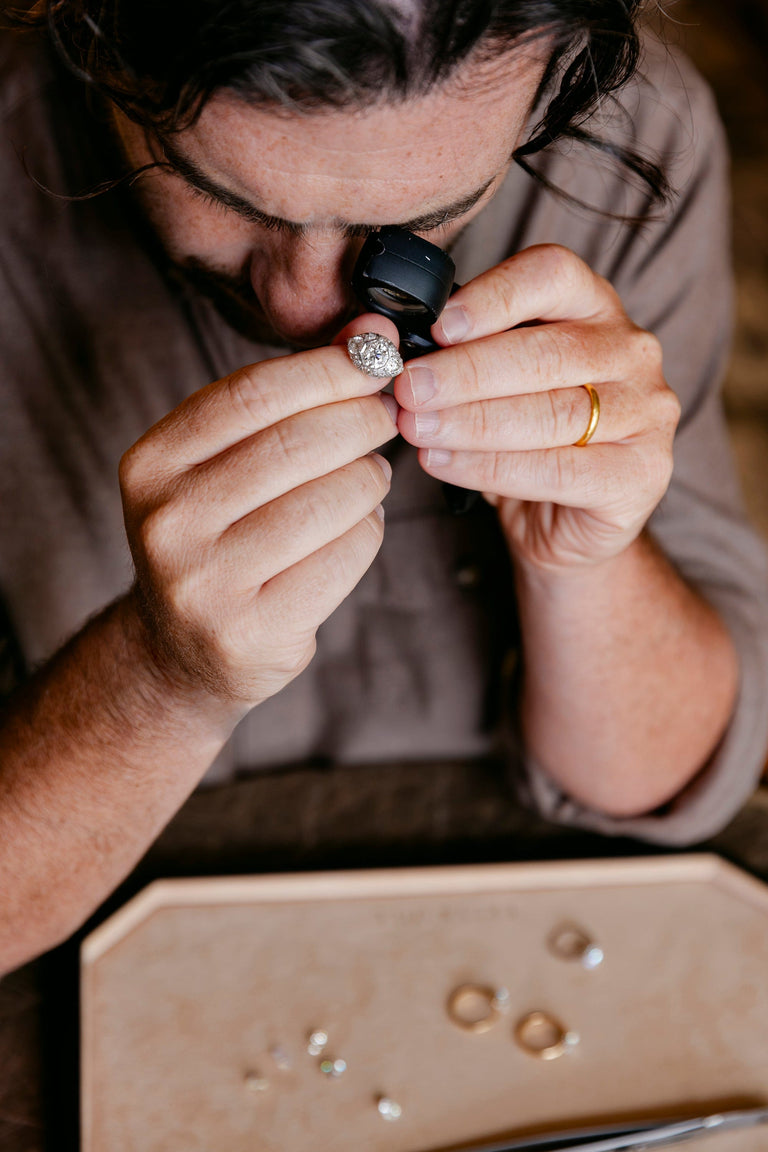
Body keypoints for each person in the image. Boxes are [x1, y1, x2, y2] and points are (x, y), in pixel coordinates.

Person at [0, 0, 766, 977]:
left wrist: (583, 561)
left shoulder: (633, 135)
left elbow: (659, 778)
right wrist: (159, 681)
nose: (311, 305)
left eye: (418, 222)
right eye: (217, 190)